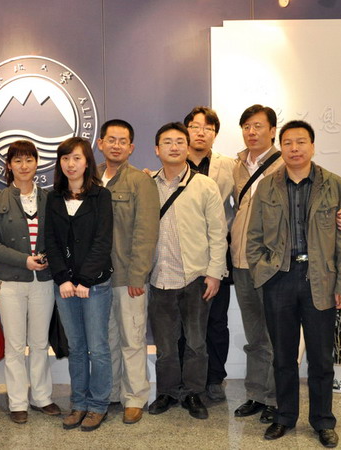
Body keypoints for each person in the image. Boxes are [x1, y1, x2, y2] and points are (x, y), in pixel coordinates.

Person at [231, 104, 341, 424]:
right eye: (287, 143)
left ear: (312, 146)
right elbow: (254, 235)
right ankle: (285, 417)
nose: (294, 148)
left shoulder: (334, 184)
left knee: (321, 358)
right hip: (280, 278)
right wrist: (263, 272)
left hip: (320, 278)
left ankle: (322, 420)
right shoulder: (267, 186)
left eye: (301, 142)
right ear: (281, 146)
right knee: (283, 356)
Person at [147, 122, 227, 420]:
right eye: (167, 142)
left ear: (187, 146)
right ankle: (167, 393)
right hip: (159, 277)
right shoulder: (147, 185)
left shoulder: (204, 185)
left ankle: (194, 393)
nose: (175, 147)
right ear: (157, 150)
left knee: (196, 343)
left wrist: (215, 273)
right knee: (165, 346)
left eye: (180, 141)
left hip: (196, 277)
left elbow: (217, 232)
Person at [0, 140, 61, 424]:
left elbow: (59, 237)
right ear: (9, 165)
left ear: (37, 163)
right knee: (15, 345)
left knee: (39, 343)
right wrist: (24, 260)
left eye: (29, 160)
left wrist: (48, 257)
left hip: (43, 281)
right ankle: (17, 402)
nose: (24, 166)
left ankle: (42, 397)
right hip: (10, 282)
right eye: (18, 160)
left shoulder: (50, 199)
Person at [44, 137, 113, 431]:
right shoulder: (53, 198)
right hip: (65, 286)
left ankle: (98, 406)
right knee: (76, 347)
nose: (70, 164)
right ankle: (79, 403)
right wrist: (62, 278)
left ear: (87, 162)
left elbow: (103, 241)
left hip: (94, 285)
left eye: (76, 158)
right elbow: (51, 241)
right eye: (65, 158)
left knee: (98, 348)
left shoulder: (101, 196)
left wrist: (85, 279)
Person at [96, 120, 159, 424]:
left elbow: (146, 233)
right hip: (96, 279)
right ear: (100, 143)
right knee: (106, 339)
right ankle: (111, 392)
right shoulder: (89, 178)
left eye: (123, 141)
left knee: (132, 338)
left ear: (131, 147)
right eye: (111, 139)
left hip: (126, 276)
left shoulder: (140, 182)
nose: (117, 145)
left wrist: (138, 275)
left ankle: (134, 397)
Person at [183, 106, 235, 402]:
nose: (201, 132)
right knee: (183, 321)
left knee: (216, 319)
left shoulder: (229, 166)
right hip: (182, 252)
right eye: (195, 126)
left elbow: (243, 203)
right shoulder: (174, 162)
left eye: (208, 128)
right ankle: (186, 378)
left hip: (218, 250)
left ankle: (215, 377)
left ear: (215, 134)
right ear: (186, 130)